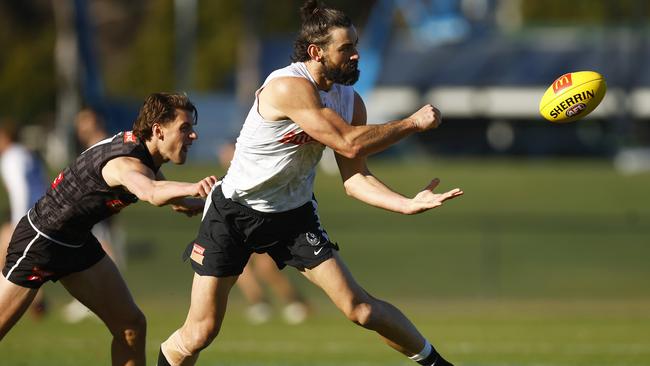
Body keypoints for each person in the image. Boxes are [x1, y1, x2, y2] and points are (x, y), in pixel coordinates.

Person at [158, 1, 463, 365]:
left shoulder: (350, 101)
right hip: (233, 213)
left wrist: (405, 203)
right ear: (317, 52)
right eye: (346, 48)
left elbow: (356, 178)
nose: (355, 56)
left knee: (360, 309)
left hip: (293, 216)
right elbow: (348, 141)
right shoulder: (288, 87)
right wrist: (412, 123)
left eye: (355, 46)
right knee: (200, 332)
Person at [0, 92, 217, 366]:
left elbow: (161, 189)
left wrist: (191, 202)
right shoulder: (126, 163)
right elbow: (150, 191)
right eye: (184, 128)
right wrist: (195, 187)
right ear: (159, 131)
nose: (193, 136)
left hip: (76, 242)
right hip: (42, 240)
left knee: (131, 326)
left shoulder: (144, 152)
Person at [218, 141, 311, 325]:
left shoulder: (253, 169)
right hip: (237, 225)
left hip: (260, 221)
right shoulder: (228, 177)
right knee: (241, 268)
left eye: (228, 153)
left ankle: (296, 302)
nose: (224, 157)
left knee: (266, 267)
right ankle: (260, 303)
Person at [61, 108, 128, 323]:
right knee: (100, 248)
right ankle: (102, 299)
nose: (81, 129)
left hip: (99, 206)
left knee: (105, 250)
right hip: (93, 206)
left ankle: (111, 300)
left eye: (84, 123)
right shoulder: (91, 146)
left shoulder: (104, 144)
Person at [0, 120, 50, 318]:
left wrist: (18, 222)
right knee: (29, 262)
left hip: (29, 216)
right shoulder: (25, 153)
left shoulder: (11, 158)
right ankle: (37, 302)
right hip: (44, 212)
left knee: (6, 254)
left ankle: (15, 302)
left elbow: (21, 190)